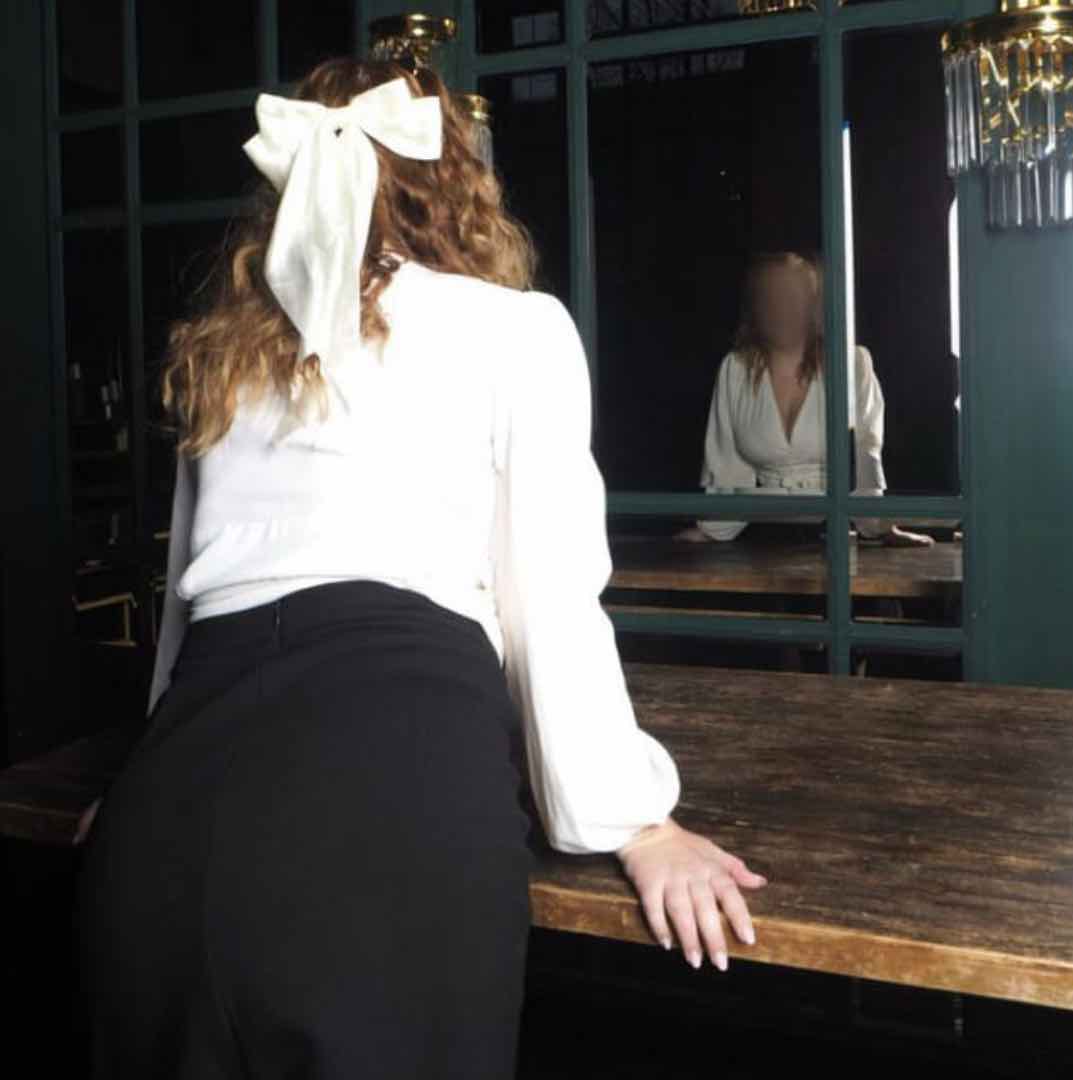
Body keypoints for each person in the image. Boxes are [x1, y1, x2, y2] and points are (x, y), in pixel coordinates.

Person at [73, 58, 768, 1080]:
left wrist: (146, 773)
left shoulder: (222, 354)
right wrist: (635, 823)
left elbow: (187, 607)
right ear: (455, 180)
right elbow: (550, 602)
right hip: (390, 809)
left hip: (167, 823)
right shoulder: (515, 329)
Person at [676, 251, 933, 547]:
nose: (781, 308)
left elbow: (866, 453)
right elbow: (725, 464)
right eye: (772, 297)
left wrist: (878, 527)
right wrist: (713, 530)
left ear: (814, 306)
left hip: (831, 531)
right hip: (763, 533)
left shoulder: (852, 364)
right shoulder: (736, 369)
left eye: (793, 297)